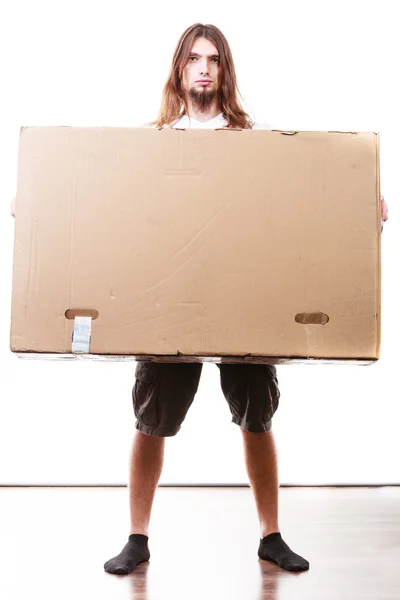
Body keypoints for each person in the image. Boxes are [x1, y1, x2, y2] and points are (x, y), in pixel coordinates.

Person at [10, 22, 389, 576]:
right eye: (194, 59)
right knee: (152, 419)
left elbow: (310, 188)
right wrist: (37, 198)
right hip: (170, 307)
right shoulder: (155, 142)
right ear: (180, 70)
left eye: (213, 58)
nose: (204, 67)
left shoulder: (256, 141)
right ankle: (137, 538)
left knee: (257, 416)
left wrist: (362, 199)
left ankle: (271, 535)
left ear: (224, 70)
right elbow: (101, 193)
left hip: (243, 303)